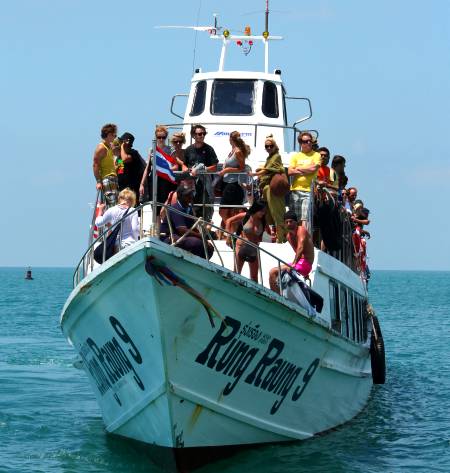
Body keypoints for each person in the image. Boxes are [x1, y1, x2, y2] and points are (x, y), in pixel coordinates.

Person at [160, 184, 214, 260]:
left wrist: (203, 238)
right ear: (180, 197)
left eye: (191, 194)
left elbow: (193, 227)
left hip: (181, 236)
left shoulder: (189, 209)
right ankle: (192, 263)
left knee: (209, 247)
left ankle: (199, 265)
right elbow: (182, 230)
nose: (190, 197)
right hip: (169, 237)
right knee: (197, 243)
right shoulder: (176, 209)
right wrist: (200, 236)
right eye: (187, 195)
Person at [269, 211, 315, 294]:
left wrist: (294, 264)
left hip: (306, 264)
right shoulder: (289, 236)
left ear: (296, 222)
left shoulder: (301, 230)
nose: (289, 223)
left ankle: (278, 296)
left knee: (274, 271)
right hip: (300, 264)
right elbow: (297, 252)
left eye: (291, 221)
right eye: (286, 222)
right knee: (272, 272)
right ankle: (277, 295)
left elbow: (300, 248)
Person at [251, 135, 286, 243]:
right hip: (267, 188)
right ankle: (275, 236)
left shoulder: (276, 156)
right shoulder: (270, 157)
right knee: (268, 215)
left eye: (271, 146)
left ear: (275, 146)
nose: (269, 148)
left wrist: (255, 173)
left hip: (273, 189)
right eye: (267, 146)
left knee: (277, 214)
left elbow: (268, 170)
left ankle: (281, 239)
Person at [225, 200, 267, 283]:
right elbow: (229, 221)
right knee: (236, 272)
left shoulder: (263, 220)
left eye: (265, 211)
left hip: (254, 248)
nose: (263, 213)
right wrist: (228, 236)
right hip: (241, 246)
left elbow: (263, 235)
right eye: (262, 211)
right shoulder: (246, 215)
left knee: (254, 277)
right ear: (256, 209)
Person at [183, 124, 219, 220]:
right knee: (192, 210)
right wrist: (186, 169)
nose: (202, 135)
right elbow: (184, 164)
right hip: (191, 185)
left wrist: (202, 170)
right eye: (199, 134)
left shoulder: (209, 149)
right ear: (193, 135)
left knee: (206, 212)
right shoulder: (188, 150)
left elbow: (215, 167)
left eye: (204, 134)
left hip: (204, 186)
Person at [140, 125, 178, 212]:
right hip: (154, 179)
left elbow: (175, 166)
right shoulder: (152, 150)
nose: (161, 139)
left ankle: (164, 225)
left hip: (166, 180)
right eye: (159, 137)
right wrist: (142, 184)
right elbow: (147, 168)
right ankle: (156, 225)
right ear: (155, 137)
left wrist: (168, 170)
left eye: (163, 137)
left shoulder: (170, 149)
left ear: (166, 137)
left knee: (165, 207)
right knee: (155, 207)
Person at [288, 132, 321, 228]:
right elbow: (290, 172)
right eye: (306, 141)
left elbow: (313, 169)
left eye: (310, 141)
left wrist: (298, 168)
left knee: (304, 218)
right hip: (295, 190)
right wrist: (306, 169)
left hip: (308, 191)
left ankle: (303, 239)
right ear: (301, 143)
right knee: (295, 219)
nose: (309, 143)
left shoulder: (316, 155)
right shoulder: (295, 156)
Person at [218, 131, 248, 233]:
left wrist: (227, 170)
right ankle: (233, 232)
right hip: (227, 183)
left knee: (222, 212)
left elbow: (242, 168)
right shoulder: (232, 151)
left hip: (233, 185)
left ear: (231, 139)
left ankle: (229, 231)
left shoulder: (238, 152)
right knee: (229, 212)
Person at [114, 132, 146, 205]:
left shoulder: (134, 153)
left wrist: (122, 146)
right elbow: (119, 170)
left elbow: (125, 159)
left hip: (133, 188)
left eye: (122, 142)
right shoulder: (120, 157)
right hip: (122, 188)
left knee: (133, 208)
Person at [93, 123, 119, 208]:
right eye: (114, 135)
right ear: (109, 135)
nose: (115, 137)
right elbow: (95, 164)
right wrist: (98, 182)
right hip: (107, 179)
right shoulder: (101, 148)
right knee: (112, 205)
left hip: (113, 178)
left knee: (115, 204)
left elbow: (118, 156)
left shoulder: (109, 146)